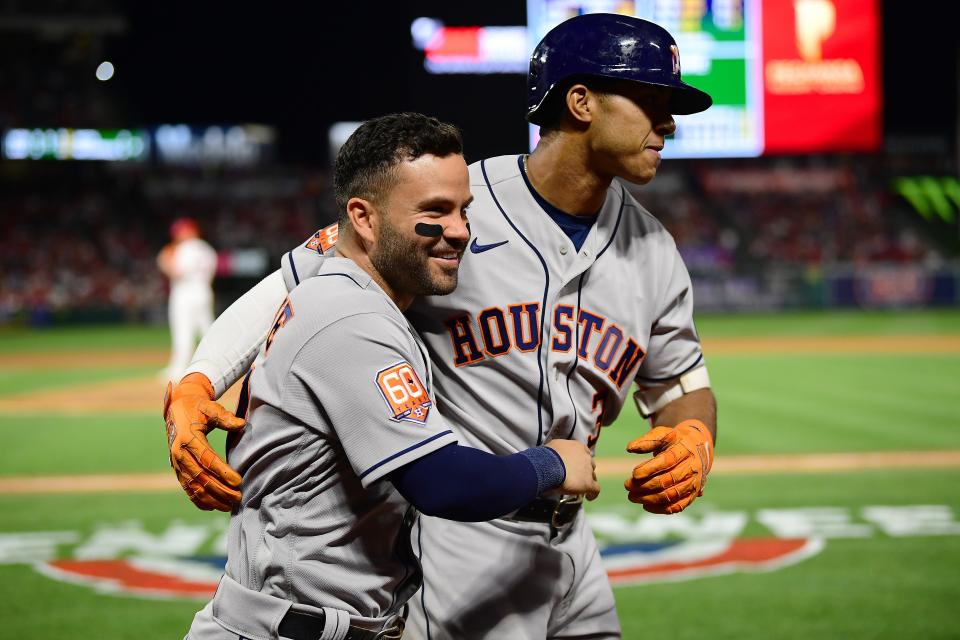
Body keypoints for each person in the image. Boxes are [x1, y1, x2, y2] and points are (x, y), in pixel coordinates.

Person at [166, 13, 718, 639]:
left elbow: (679, 386)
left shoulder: (655, 249)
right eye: (651, 101)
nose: (668, 122)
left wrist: (693, 435)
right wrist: (197, 381)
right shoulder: (449, 209)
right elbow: (292, 286)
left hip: (574, 539)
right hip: (458, 533)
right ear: (581, 101)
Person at [179, 112, 600, 640]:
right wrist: (552, 463)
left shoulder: (357, 296)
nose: (461, 231)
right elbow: (442, 483)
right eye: (435, 211)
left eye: (463, 211)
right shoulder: (351, 317)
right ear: (363, 218)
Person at [157, 217, 218, 382]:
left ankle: (179, 369)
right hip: (203, 290)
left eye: (180, 231)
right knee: (207, 329)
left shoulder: (184, 248)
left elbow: (177, 272)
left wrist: (163, 261)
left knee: (183, 330)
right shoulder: (207, 249)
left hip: (185, 292)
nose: (177, 235)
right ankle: (218, 364)